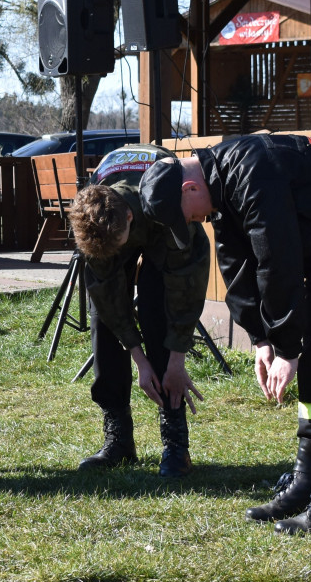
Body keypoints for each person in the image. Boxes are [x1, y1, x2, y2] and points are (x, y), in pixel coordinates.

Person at [138, 133, 311, 534]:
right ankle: (307, 482)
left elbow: (277, 260)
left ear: (190, 187)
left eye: (188, 216)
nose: (194, 223)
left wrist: (287, 348)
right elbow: (236, 262)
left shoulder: (253, 173)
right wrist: (262, 339)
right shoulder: (220, 183)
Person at [67, 144, 210, 476]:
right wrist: (138, 359)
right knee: (103, 320)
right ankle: (118, 438)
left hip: (159, 220)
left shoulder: (168, 204)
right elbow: (110, 300)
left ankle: (176, 443)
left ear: (129, 218)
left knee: (156, 307)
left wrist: (175, 360)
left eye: (120, 246)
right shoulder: (95, 226)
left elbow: (185, 293)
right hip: (118, 211)